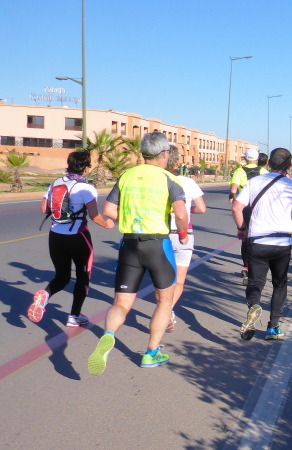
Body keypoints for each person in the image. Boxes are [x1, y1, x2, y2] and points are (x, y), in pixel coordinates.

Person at [87, 132, 188, 375]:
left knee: (121, 303)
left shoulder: (126, 176)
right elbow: (181, 214)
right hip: (157, 245)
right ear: (165, 154)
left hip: (130, 244)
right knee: (164, 301)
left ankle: (108, 334)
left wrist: (131, 219)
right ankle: (151, 353)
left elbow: (108, 210)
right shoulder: (170, 179)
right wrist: (183, 234)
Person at [28, 151, 115, 327]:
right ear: (85, 168)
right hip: (78, 237)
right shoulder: (86, 188)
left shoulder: (55, 183)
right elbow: (94, 215)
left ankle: (45, 295)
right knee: (83, 277)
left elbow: (44, 209)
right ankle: (74, 316)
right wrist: (107, 224)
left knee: (62, 276)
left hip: (55, 237)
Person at [231, 148, 292, 341]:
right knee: (279, 284)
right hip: (281, 244)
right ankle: (273, 327)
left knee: (255, 282)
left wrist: (242, 228)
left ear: (268, 163)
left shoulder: (254, 182)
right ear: (289, 166)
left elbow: (236, 207)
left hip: (257, 242)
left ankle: (254, 305)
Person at [165, 146, 206, 333]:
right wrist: (187, 211)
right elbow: (201, 208)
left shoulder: (157, 180)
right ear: (177, 162)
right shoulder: (188, 182)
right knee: (179, 280)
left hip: (161, 232)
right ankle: (168, 311)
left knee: (163, 278)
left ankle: (163, 309)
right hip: (183, 234)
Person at [229, 149, 269, 285]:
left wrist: (232, 197)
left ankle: (246, 266)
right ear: (257, 159)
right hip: (260, 207)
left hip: (245, 207)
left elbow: (233, 189)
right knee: (258, 236)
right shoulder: (263, 172)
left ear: (245, 159)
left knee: (245, 236)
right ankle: (256, 265)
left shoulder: (239, 171)